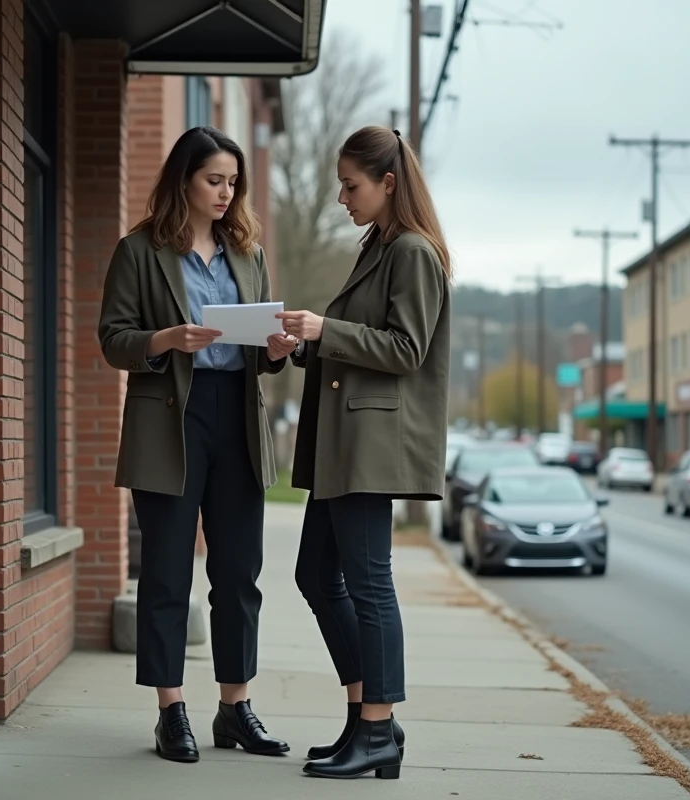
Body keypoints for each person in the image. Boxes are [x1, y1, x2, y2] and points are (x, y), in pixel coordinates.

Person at [98, 126, 299, 764]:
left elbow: (261, 351)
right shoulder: (139, 250)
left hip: (235, 417)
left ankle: (235, 708)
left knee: (238, 572)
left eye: (233, 182)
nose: (225, 193)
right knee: (164, 572)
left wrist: (274, 350)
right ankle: (170, 710)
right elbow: (113, 339)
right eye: (215, 180)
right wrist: (164, 340)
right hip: (169, 418)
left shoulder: (247, 251)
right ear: (184, 178)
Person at [277, 126, 452, 780]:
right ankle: (367, 718)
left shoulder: (413, 252)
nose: (342, 197)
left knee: (368, 583)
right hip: (343, 444)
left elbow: (406, 350)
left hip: (371, 446)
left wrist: (326, 329)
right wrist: (301, 344)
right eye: (341, 185)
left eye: (351, 186)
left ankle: (377, 726)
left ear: (387, 183)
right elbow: (361, 341)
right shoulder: (378, 247)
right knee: (317, 576)